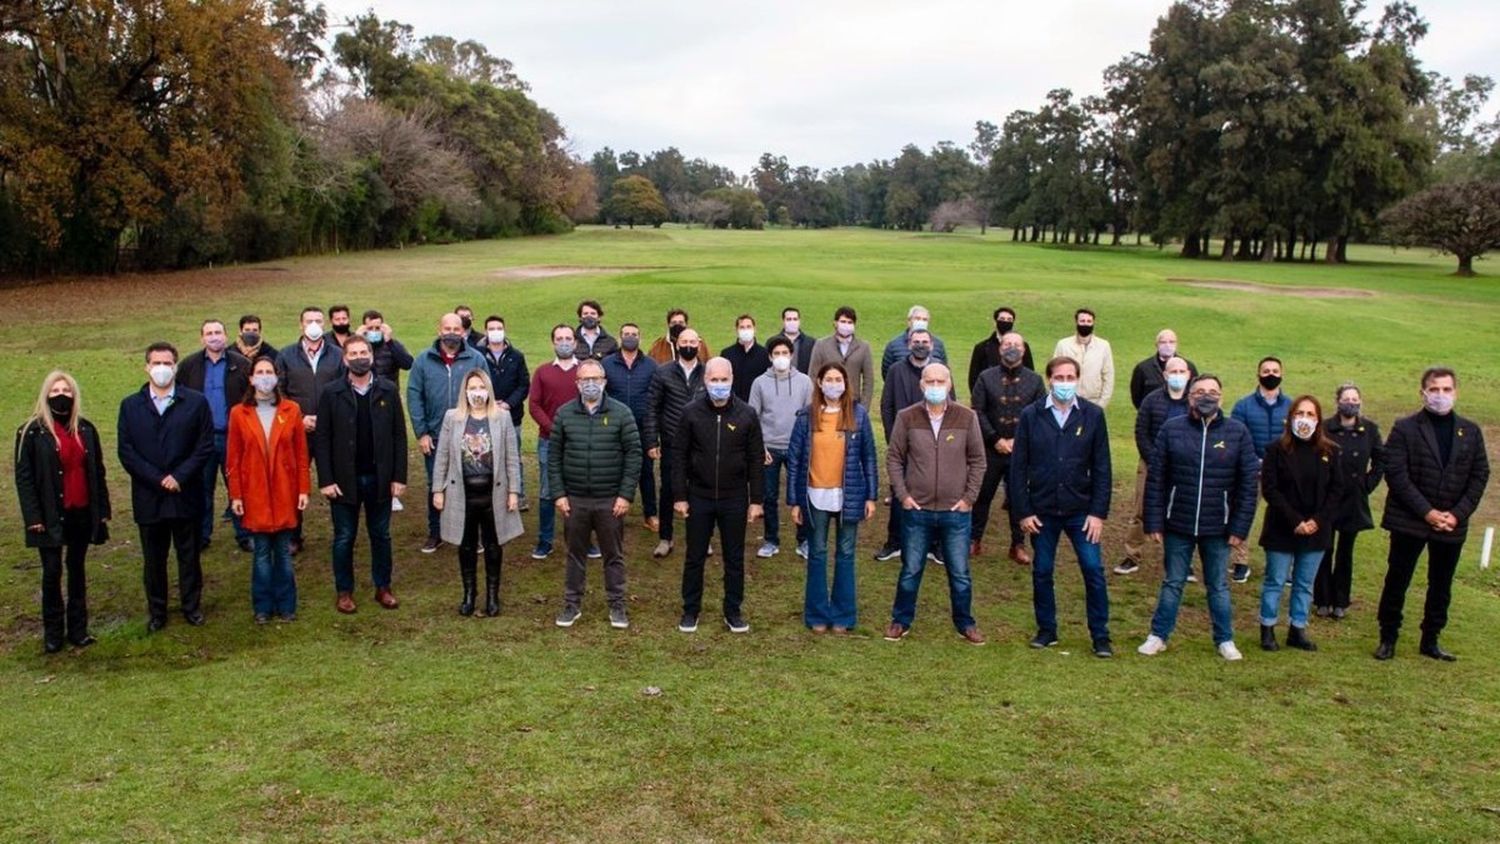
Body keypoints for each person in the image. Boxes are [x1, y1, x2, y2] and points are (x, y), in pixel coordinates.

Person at [1138, 375, 1258, 661]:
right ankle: (1158, 635)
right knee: (1173, 582)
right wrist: (1153, 521)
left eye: (1213, 392)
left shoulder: (1237, 432)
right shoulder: (1171, 429)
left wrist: (1240, 526)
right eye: (1200, 392)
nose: (1207, 397)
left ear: (1221, 397)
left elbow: (1248, 485)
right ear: (1190, 396)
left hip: (1219, 526)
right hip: (1178, 521)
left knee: (1218, 585)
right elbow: (1156, 479)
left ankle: (1225, 639)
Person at [1374, 367, 1489, 662]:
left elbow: (1479, 475)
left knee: (1441, 584)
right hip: (1410, 521)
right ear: (1423, 392)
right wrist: (1426, 512)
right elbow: (1396, 474)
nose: (1441, 395)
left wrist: (1457, 514)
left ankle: (1431, 639)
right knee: (1398, 579)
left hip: (1451, 524)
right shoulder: (1405, 428)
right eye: (1435, 390)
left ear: (1455, 392)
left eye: (1446, 390)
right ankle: (1388, 637)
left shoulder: (1471, 431)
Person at [1011, 356, 1113, 656]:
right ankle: (1047, 630)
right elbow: (1018, 468)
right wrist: (1024, 511)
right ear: (1050, 379)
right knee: (1042, 570)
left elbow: (1103, 467)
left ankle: (1100, 635)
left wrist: (1098, 513)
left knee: (1093, 570)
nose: (1065, 383)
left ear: (1077, 380)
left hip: (1081, 510)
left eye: (1070, 377)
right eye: (1059, 377)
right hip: (1042, 511)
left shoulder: (1093, 415)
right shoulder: (1031, 415)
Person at [883, 363, 987, 645]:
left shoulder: (966, 417)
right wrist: (903, 495)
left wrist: (969, 499)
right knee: (911, 570)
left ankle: (965, 623)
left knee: (960, 573)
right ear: (921, 385)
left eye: (941, 381)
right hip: (918, 511)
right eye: (930, 381)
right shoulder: (907, 417)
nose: (936, 386)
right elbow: (894, 458)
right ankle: (900, 620)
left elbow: (978, 460)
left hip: (956, 513)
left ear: (950, 383)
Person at [117, 342, 214, 632]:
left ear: (175, 366)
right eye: (156, 363)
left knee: (189, 555)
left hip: (185, 493)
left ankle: (191, 606)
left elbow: (204, 445)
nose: (162, 369)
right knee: (153, 559)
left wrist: (179, 476)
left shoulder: (195, 402)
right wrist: (157, 479)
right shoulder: (130, 406)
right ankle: (157, 610)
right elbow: (127, 451)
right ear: (147, 367)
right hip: (150, 496)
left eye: (167, 363)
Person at [15, 371, 110, 652]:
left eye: (66, 391)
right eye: (56, 390)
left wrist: (102, 509)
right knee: (52, 571)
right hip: (48, 514)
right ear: (46, 394)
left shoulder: (85, 429)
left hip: (80, 510)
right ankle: (53, 633)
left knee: (77, 570)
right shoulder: (31, 432)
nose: (61, 395)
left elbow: (98, 471)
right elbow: (24, 478)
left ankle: (78, 629)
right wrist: (33, 517)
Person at [314, 335, 409, 613]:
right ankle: (344, 591)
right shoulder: (332, 393)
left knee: (381, 535)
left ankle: (383, 587)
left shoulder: (388, 390)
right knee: (344, 537)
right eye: (353, 353)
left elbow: (399, 436)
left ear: (371, 355)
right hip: (344, 480)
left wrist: (398, 477)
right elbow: (322, 439)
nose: (359, 357)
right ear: (345, 359)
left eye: (363, 352)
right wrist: (326, 480)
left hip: (379, 477)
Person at [673, 357, 765, 634]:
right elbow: (678, 456)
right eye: (714, 380)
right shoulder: (690, 413)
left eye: (724, 380)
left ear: (732, 379)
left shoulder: (747, 414)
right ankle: (690, 610)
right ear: (705, 380)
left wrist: (756, 500)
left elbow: (755, 459)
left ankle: (733, 610)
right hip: (698, 496)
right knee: (694, 556)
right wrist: (680, 495)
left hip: (734, 498)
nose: (719, 385)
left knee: (734, 558)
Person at [549, 359, 642, 629]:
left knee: (613, 555)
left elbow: (634, 454)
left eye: (596, 379)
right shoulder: (564, 414)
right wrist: (559, 494)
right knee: (574, 554)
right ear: (577, 383)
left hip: (610, 500)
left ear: (604, 381)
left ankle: (617, 605)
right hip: (575, 499)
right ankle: (571, 604)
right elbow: (554, 456)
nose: (591, 384)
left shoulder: (621, 413)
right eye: (585, 379)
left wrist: (625, 495)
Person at [786, 362, 878, 633]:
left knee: (846, 553)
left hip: (848, 495)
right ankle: (816, 614)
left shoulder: (858, 416)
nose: (834, 384)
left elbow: (869, 457)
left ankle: (843, 615)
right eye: (829, 379)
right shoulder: (806, 417)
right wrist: (794, 501)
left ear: (846, 384)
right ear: (819, 383)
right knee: (817, 553)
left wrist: (871, 496)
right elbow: (795, 461)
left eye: (839, 379)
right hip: (815, 496)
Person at [430, 369, 522, 618]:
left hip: (493, 492)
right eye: (472, 388)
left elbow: (512, 457)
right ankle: (469, 594)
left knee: (493, 545)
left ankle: (493, 595)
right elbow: (443, 457)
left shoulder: (502, 417)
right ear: (465, 391)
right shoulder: (453, 417)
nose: (477, 393)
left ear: (489, 390)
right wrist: (437, 489)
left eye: (481, 387)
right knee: (466, 545)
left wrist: (514, 491)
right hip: (463, 492)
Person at [1256, 395, 1344, 652]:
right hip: (1283, 527)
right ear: (1290, 418)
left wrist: (1317, 521)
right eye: (1300, 413)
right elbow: (1270, 490)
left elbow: (1336, 491)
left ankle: (1298, 629)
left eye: (1310, 414)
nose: (1304, 419)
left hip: (1316, 530)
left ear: (1318, 420)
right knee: (1275, 580)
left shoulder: (1331, 452)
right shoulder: (1275, 450)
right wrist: (1295, 520)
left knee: (1305, 583)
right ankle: (1268, 628)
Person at [226, 358, 309, 624]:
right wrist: (236, 495)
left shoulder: (291, 409)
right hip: (255, 493)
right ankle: (262, 606)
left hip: (285, 490)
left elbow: (300, 454)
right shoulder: (239, 413)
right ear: (250, 379)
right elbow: (234, 458)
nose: (264, 377)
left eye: (269, 372)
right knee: (261, 553)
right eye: (259, 372)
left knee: (283, 553)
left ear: (277, 377)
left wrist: (303, 490)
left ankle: (287, 605)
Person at [408, 313, 484, 554]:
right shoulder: (423, 361)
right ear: (439, 330)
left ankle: (473, 533)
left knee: (473, 485)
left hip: (470, 435)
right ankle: (436, 532)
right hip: (436, 435)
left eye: (456, 328)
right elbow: (414, 396)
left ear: (463, 331)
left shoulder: (476, 359)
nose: (452, 332)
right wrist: (422, 432)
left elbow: (485, 394)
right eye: (447, 328)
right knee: (436, 484)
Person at [877, 328, 952, 564]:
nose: (920, 345)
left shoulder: (940, 372)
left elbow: (953, 404)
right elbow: (887, 405)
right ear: (909, 344)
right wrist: (893, 437)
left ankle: (935, 545)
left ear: (932, 345)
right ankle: (895, 542)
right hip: (904, 442)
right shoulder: (896, 370)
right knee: (900, 493)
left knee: (936, 493)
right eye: (916, 341)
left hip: (936, 444)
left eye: (925, 341)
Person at [969, 331, 1044, 564]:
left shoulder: (1035, 380)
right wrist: (995, 439)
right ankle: (974, 539)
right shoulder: (985, 377)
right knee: (983, 495)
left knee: (1018, 497)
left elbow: (1040, 414)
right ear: (1000, 348)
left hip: (1020, 450)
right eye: (1007, 343)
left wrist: (1017, 442)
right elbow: (977, 411)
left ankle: (1018, 544)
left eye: (1017, 344)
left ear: (1023, 350)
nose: (1012, 347)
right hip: (990, 448)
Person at [177, 318, 252, 551]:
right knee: (202, 489)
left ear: (226, 335)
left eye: (218, 332)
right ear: (202, 338)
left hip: (233, 436)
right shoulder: (189, 365)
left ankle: (245, 533)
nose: (214, 337)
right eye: (209, 333)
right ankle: (201, 534)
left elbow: (251, 399)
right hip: (201, 438)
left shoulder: (242, 364)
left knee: (238, 487)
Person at [1116, 356, 1193, 576]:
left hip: (1184, 468)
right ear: (1165, 375)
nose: (1177, 376)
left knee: (1180, 513)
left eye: (1181, 372)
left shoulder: (1194, 403)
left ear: (1188, 375)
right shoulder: (1151, 400)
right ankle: (1132, 555)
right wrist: (1154, 460)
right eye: (1173, 372)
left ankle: (1181, 561)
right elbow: (1141, 432)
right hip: (1151, 464)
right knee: (1140, 510)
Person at [276, 306, 343, 553]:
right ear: (300, 324)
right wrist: (298, 418)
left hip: (330, 431)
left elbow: (343, 389)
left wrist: (327, 419)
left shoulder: (337, 355)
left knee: (336, 480)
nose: (314, 325)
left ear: (324, 324)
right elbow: (278, 391)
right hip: (297, 431)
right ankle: (293, 535)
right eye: (309, 321)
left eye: (318, 320)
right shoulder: (285, 356)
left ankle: (341, 531)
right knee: (294, 483)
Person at [1315, 383, 1384, 619]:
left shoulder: (1370, 430)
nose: (1351, 403)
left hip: (1353, 499)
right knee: (1324, 548)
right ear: (1338, 401)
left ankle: (1341, 600)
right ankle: (1322, 599)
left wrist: (1367, 484)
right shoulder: (1324, 428)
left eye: (1355, 399)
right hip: (1328, 498)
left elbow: (1380, 461)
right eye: (1347, 398)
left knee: (1346, 552)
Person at [748, 336, 813, 558]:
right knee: (769, 496)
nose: (781, 358)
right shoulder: (759, 383)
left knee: (802, 495)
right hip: (769, 449)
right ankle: (771, 540)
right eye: (776, 354)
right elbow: (752, 418)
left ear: (792, 355)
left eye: (785, 353)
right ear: (770, 356)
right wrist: (760, 448)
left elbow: (810, 417)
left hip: (797, 447)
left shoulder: (804, 381)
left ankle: (804, 540)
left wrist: (805, 445)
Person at [642, 327, 705, 558]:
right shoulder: (663, 372)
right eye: (684, 341)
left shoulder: (707, 372)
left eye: (692, 341)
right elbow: (652, 408)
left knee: (699, 491)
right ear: (677, 344)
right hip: (672, 442)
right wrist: (651, 440)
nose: (688, 345)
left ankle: (700, 538)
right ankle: (665, 538)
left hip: (701, 444)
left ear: (698, 343)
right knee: (668, 489)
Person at [1230, 355, 1291, 583]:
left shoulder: (1291, 406)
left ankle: (1283, 566)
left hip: (1281, 474)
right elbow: (1236, 437)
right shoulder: (1243, 406)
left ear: (1282, 374)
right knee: (1243, 514)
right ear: (1258, 374)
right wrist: (1253, 461)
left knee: (1284, 517)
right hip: (1251, 471)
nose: (1271, 375)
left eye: (1275, 370)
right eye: (1266, 371)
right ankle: (1241, 562)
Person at [528, 324, 582, 559]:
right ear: (553, 343)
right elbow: (534, 405)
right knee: (548, 491)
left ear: (576, 343)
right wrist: (554, 428)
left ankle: (581, 541)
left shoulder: (586, 371)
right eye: (559, 338)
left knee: (580, 491)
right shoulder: (542, 371)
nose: (564, 342)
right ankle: (545, 540)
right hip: (549, 440)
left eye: (568, 338)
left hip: (580, 442)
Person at [604, 322, 658, 533]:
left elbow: (655, 398)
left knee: (645, 472)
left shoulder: (651, 365)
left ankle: (650, 514)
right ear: (619, 338)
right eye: (626, 334)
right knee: (614, 472)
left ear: (640, 338)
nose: (630, 337)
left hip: (642, 428)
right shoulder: (607, 364)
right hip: (614, 428)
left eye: (634, 334)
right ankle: (614, 513)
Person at [478, 314, 530, 502]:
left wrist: (508, 404)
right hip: (484, 413)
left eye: (499, 328)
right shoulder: (478, 354)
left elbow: (524, 384)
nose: (495, 332)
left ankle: (519, 494)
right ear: (485, 332)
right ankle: (491, 495)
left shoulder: (516, 356)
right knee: (485, 456)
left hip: (511, 415)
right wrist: (490, 403)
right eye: (491, 328)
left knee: (513, 456)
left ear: (504, 330)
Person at [809, 306, 875, 407]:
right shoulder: (821, 345)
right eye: (843, 321)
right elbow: (813, 375)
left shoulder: (863, 347)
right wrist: (817, 403)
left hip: (853, 403)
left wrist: (864, 407)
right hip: (826, 402)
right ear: (835, 323)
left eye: (850, 322)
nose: (846, 325)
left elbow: (868, 380)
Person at [1051, 308, 1114, 408]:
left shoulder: (1104, 346)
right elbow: (1053, 373)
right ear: (1076, 322)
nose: (1085, 324)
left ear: (1093, 323)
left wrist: (1102, 404)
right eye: (1082, 321)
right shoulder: (1063, 345)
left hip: (1094, 401)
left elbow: (1108, 376)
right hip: (1067, 401)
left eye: (1089, 321)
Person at [966, 306, 1035, 393]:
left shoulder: (1023, 346)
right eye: (1002, 319)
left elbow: (1030, 374)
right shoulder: (981, 348)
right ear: (995, 322)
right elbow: (973, 378)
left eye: (1009, 320)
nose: (1005, 322)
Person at [1128, 329, 1196, 410]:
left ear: (1176, 344)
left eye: (1172, 342)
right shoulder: (1143, 368)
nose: (1168, 345)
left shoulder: (1188, 366)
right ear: (1157, 345)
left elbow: (1195, 391)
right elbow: (1136, 396)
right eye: (1163, 342)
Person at [880, 305, 949, 378]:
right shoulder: (893, 345)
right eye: (917, 318)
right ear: (909, 321)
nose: (921, 322)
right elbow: (887, 374)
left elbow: (943, 370)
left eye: (925, 319)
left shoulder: (938, 344)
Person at [359, 309, 414, 390]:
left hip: (388, 393)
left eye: (377, 328)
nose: (374, 331)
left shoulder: (392, 345)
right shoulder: (358, 347)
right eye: (370, 328)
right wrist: (358, 340)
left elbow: (408, 364)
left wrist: (390, 342)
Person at [721, 314, 770, 401]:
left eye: (748, 327)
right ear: (737, 330)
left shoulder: (765, 354)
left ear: (754, 329)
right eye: (742, 327)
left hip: (757, 402)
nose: (746, 330)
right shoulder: (727, 354)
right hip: (733, 404)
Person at [768, 306, 815, 374]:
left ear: (799, 321)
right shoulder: (772, 342)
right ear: (783, 321)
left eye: (795, 319)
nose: (792, 322)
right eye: (789, 319)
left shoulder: (811, 342)